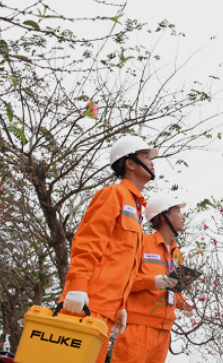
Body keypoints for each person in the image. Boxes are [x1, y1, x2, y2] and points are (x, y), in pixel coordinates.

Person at [58, 135, 159, 363]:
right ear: (130, 164)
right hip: (86, 304)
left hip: (106, 312)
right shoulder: (114, 194)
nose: (152, 162)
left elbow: (122, 264)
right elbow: (88, 242)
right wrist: (78, 286)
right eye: (146, 157)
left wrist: (120, 307)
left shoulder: (136, 208)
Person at [111, 194, 194, 363]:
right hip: (137, 328)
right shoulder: (141, 242)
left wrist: (183, 303)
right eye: (178, 210)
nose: (183, 216)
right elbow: (122, 281)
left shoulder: (177, 254)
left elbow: (173, 289)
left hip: (163, 331)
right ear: (163, 216)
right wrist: (153, 281)